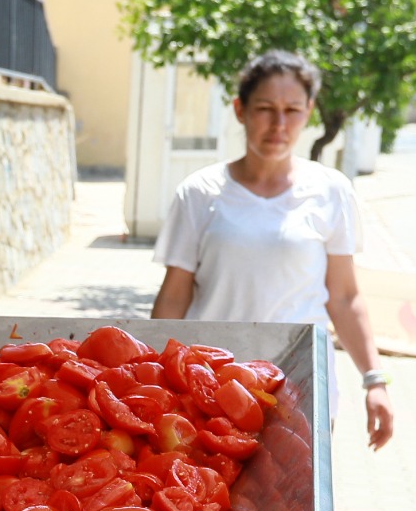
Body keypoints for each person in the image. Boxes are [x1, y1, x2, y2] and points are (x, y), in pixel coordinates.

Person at [149, 50, 395, 450]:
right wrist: (156, 376)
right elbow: (175, 295)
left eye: (292, 110)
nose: (279, 124)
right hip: (209, 387)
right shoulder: (199, 192)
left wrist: (374, 381)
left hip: (297, 388)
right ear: (239, 109)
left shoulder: (331, 191)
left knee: (296, 507)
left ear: (309, 112)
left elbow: (345, 296)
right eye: (265, 108)